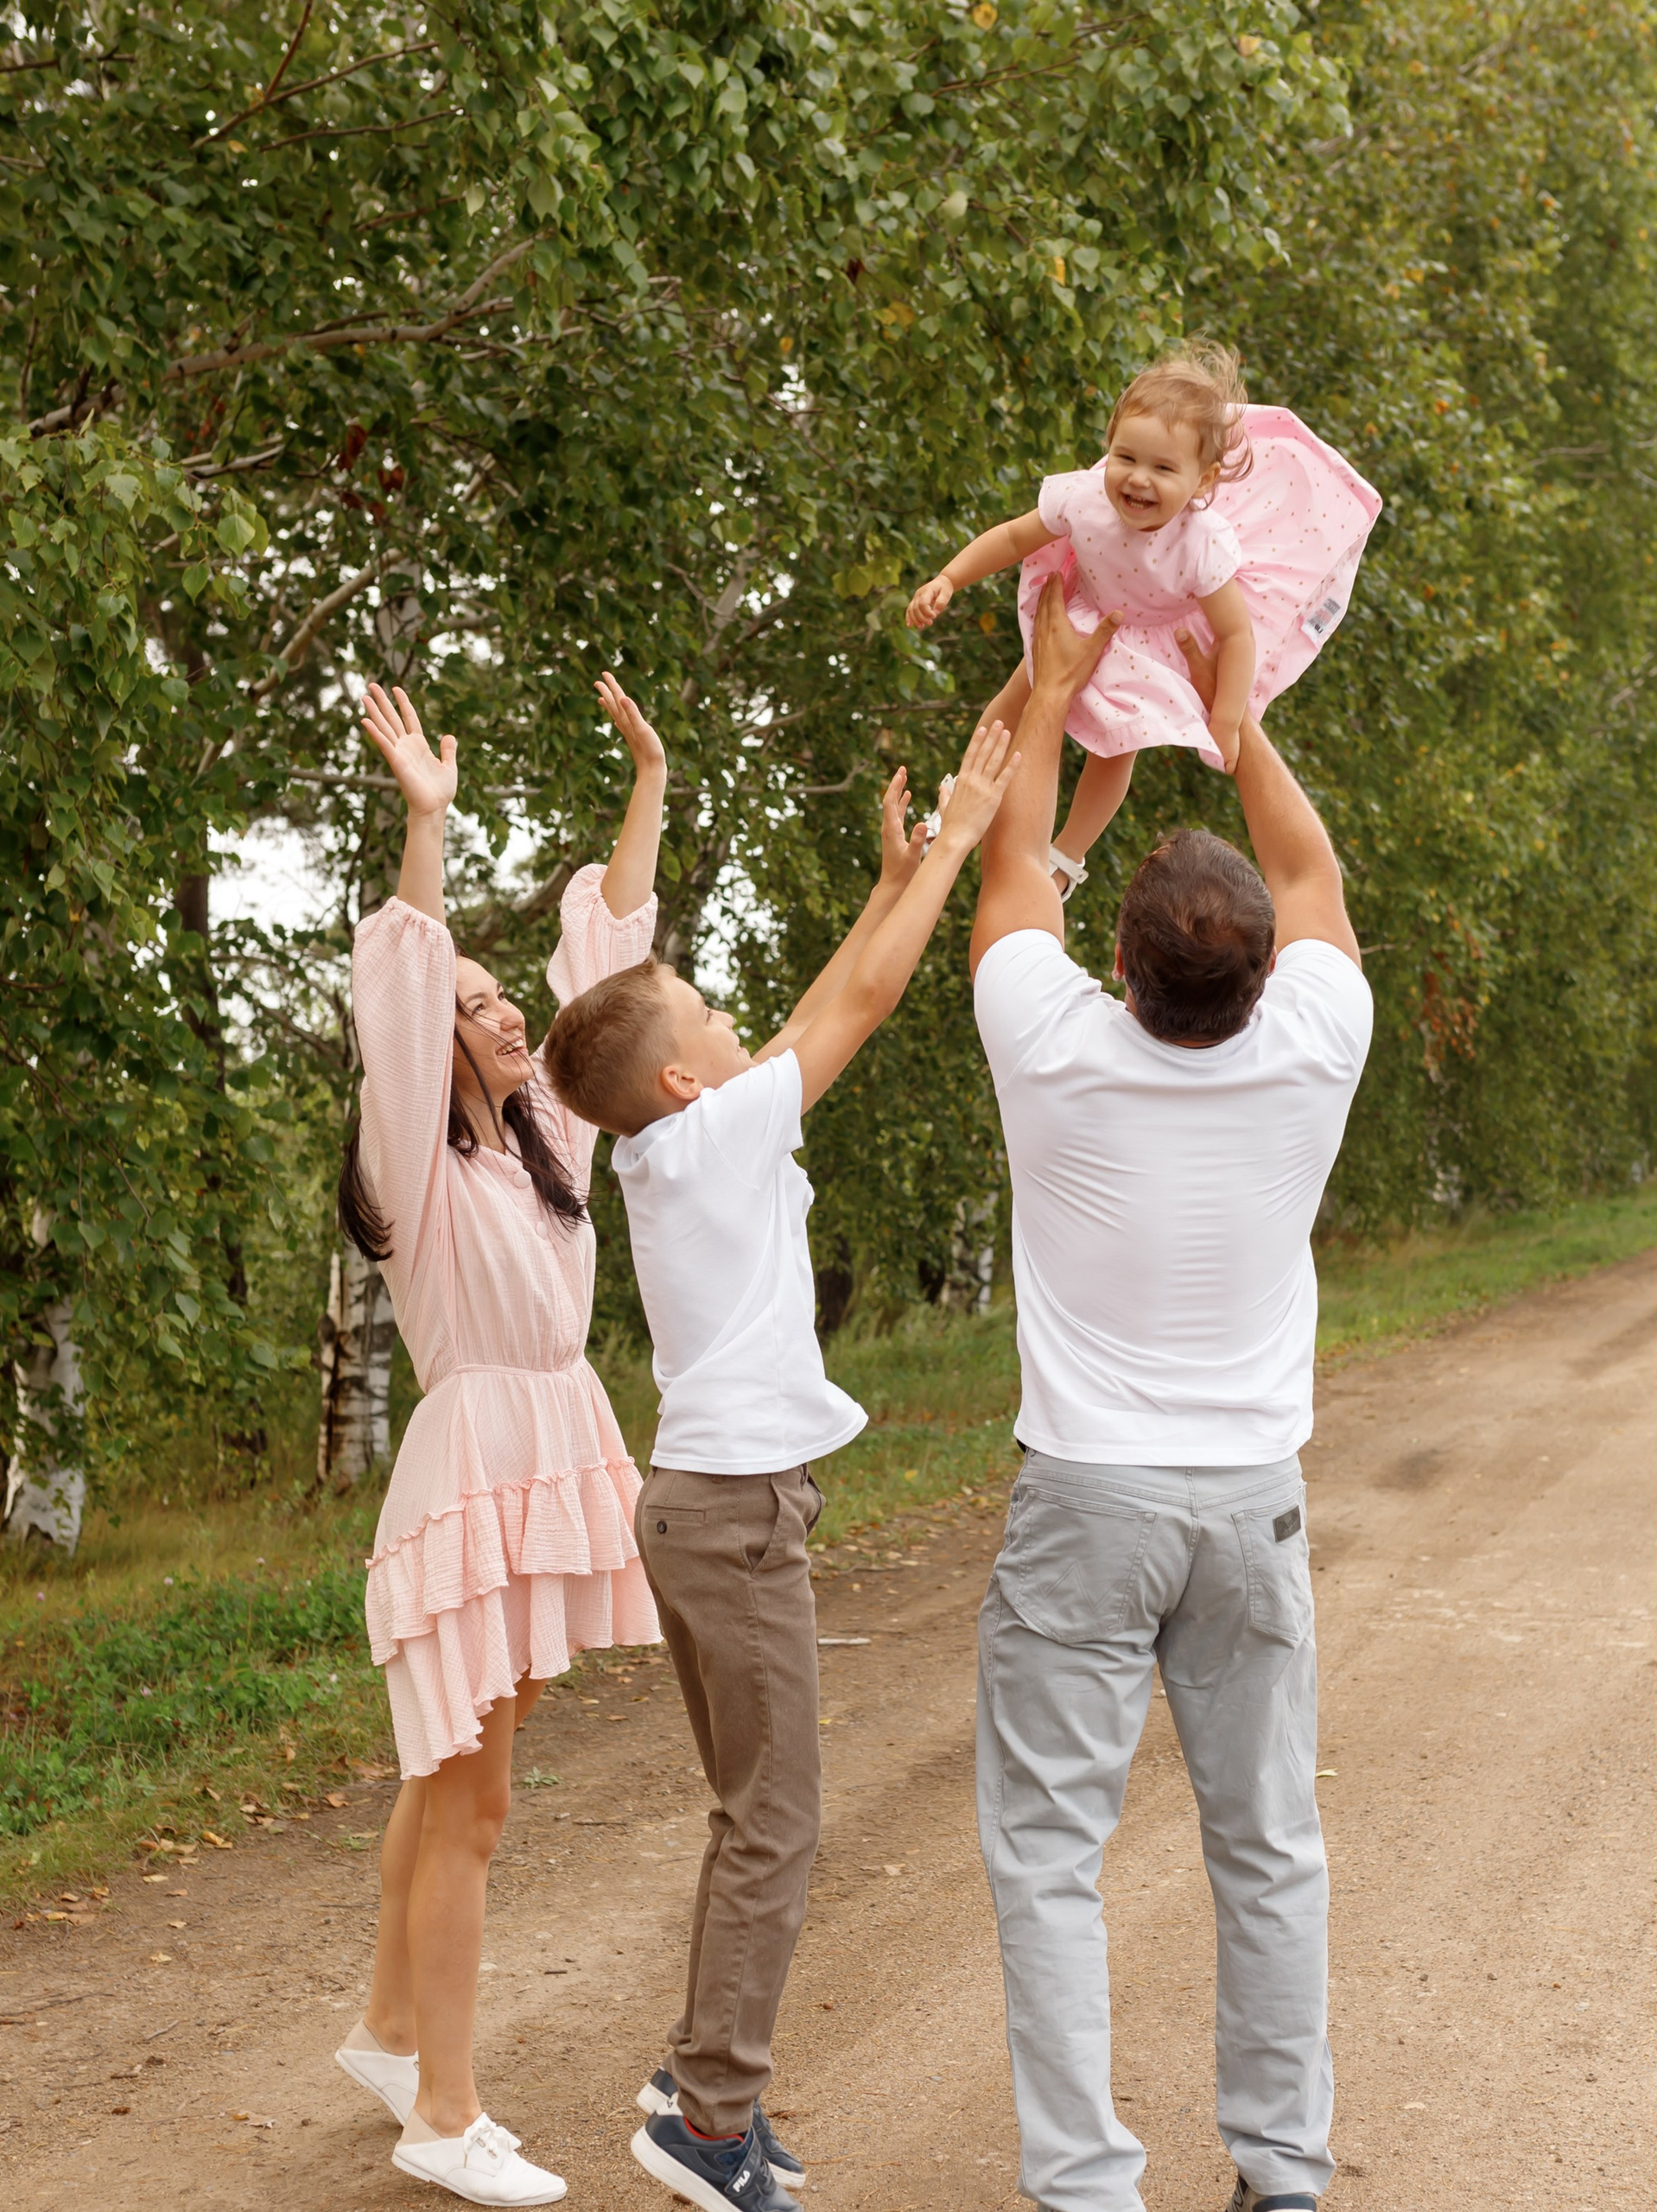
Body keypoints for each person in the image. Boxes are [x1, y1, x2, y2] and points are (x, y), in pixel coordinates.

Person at [540, 720, 1023, 2212]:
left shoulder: (683, 1141)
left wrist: (888, 883)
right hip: (733, 1520)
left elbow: (827, 996)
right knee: (779, 1818)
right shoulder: (708, 1139)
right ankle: (704, 2123)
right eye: (708, 1012)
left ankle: (703, 2078)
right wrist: (955, 842)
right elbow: (860, 1009)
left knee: (751, 1806)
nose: (735, 1016)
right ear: (688, 1082)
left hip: (702, 1512)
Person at [968, 578, 1374, 2212]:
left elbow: (1009, 871)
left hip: (1085, 1505)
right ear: (1263, 976)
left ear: (1120, 963)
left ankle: (1085, 2190)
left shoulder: (1049, 1039)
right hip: (1249, 1507)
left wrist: (1049, 680)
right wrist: (1241, 714)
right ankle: (1282, 2177)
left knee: (1050, 1867)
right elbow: (1311, 870)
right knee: (1269, 1853)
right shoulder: (1316, 1039)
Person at [333, 673, 670, 2208]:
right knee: (468, 1797)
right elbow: (398, 1010)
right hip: (480, 1466)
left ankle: (396, 2037)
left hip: (551, 1451)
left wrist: (647, 789)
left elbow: (611, 976)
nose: (502, 1009)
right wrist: (427, 824)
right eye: (476, 1002)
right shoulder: (414, 1171)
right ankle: (444, 2112)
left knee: (459, 1778)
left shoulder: (549, 1154)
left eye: (499, 994)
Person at [906, 341, 1379, 898]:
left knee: (1114, 747)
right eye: (1127, 458)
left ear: (1203, 482)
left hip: (1149, 641)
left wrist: (1227, 720)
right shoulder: (1084, 498)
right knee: (1011, 706)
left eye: (1163, 468)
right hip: (1085, 614)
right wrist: (948, 578)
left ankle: (1067, 855)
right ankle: (963, 798)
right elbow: (1013, 536)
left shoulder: (1200, 545)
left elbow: (1235, 635)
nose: (1138, 480)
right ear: (1110, 447)